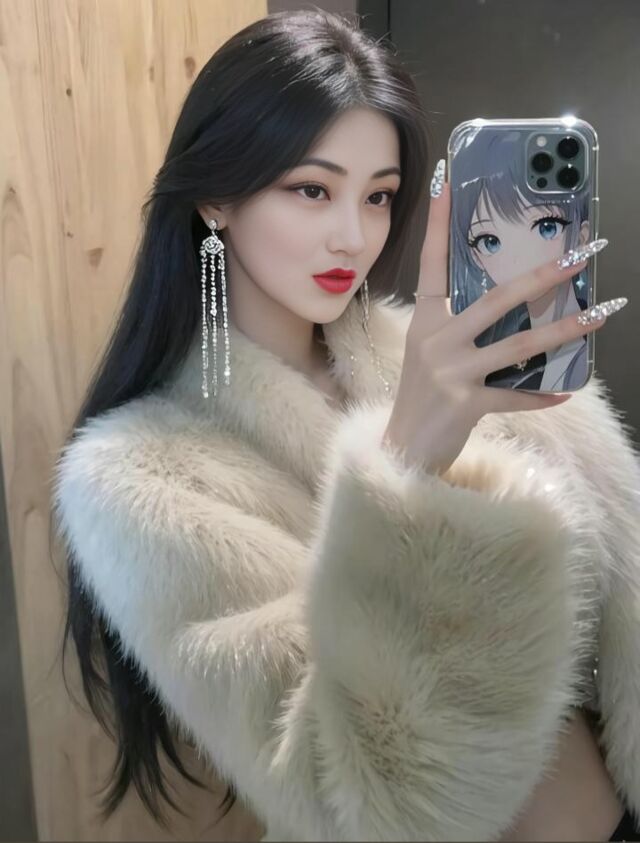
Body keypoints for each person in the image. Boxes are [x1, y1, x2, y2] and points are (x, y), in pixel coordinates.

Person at [50, 7, 640, 841]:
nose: (354, 236)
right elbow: (360, 795)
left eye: (379, 196)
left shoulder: (456, 364)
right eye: (312, 190)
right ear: (216, 196)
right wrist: (406, 467)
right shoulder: (140, 480)